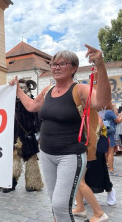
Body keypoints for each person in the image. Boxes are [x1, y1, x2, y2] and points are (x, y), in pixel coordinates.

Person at [10, 44, 111, 222]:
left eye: (62, 64)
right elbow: (32, 106)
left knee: (59, 204)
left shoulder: (79, 89)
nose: (56, 67)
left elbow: (102, 101)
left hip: (70, 155)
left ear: (74, 68)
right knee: (53, 200)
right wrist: (18, 90)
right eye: (53, 64)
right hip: (47, 153)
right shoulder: (48, 90)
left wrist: (100, 65)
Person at [73, 117, 114, 222]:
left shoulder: (89, 109)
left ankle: (98, 212)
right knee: (78, 178)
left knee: (81, 178)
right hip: (83, 146)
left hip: (89, 147)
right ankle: (81, 207)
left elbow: (98, 125)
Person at [104, 103, 122, 176]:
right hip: (110, 134)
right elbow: (118, 120)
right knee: (110, 152)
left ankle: (105, 167)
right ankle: (111, 169)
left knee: (105, 152)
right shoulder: (109, 112)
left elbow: (116, 115)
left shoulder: (103, 112)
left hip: (104, 134)